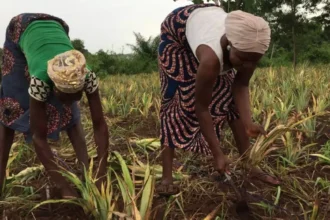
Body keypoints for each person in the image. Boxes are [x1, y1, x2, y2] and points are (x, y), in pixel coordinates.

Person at [157, 4, 281, 195]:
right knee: (176, 101)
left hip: (209, 20)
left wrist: (248, 123)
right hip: (177, 34)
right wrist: (218, 154)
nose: (248, 66)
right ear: (230, 44)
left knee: (229, 100)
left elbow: (241, 86)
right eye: (243, 59)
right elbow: (202, 108)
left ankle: (250, 167)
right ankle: (167, 176)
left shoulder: (249, 50)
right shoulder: (211, 58)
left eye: (254, 61)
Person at [0, 13, 109, 198]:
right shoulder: (40, 81)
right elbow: (38, 137)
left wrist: (101, 172)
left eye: (76, 96)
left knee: (72, 114)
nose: (70, 101)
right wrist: (64, 187)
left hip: (57, 26)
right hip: (20, 29)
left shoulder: (86, 76)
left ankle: (86, 177)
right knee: (11, 107)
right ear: (54, 87)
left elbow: (99, 124)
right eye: (64, 95)